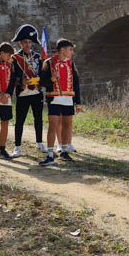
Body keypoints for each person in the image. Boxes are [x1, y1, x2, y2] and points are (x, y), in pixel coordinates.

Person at [38, 38, 81, 166]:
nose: (72, 52)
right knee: (53, 126)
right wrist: (51, 79)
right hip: (54, 99)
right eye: (70, 49)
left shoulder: (71, 64)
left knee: (67, 125)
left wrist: (78, 102)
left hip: (68, 99)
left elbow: (76, 83)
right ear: (62, 50)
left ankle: (64, 151)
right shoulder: (48, 63)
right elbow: (41, 82)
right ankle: (50, 155)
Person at [11, 24, 46, 158]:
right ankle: (17, 147)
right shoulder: (15, 58)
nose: (28, 45)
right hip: (23, 93)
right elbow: (12, 75)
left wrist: (40, 80)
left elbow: (42, 73)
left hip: (36, 92)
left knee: (39, 119)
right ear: (20, 43)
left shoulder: (37, 57)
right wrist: (20, 81)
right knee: (20, 121)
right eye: (25, 42)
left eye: (30, 42)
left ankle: (39, 143)